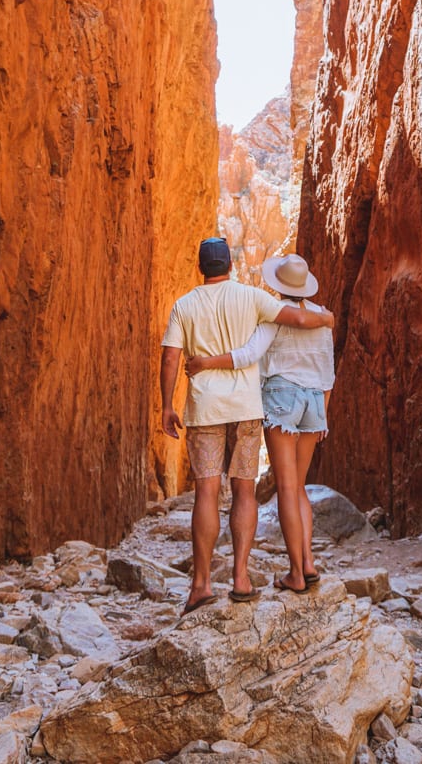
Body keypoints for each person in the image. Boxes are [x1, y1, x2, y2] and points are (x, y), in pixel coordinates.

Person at [161, 238, 334, 614]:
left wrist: (167, 403)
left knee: (207, 493)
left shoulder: (185, 305)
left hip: (208, 408)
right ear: (231, 265)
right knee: (249, 492)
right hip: (257, 408)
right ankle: (246, 577)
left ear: (200, 267)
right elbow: (310, 336)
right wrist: (326, 319)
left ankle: (202, 585)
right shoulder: (254, 298)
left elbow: (174, 356)